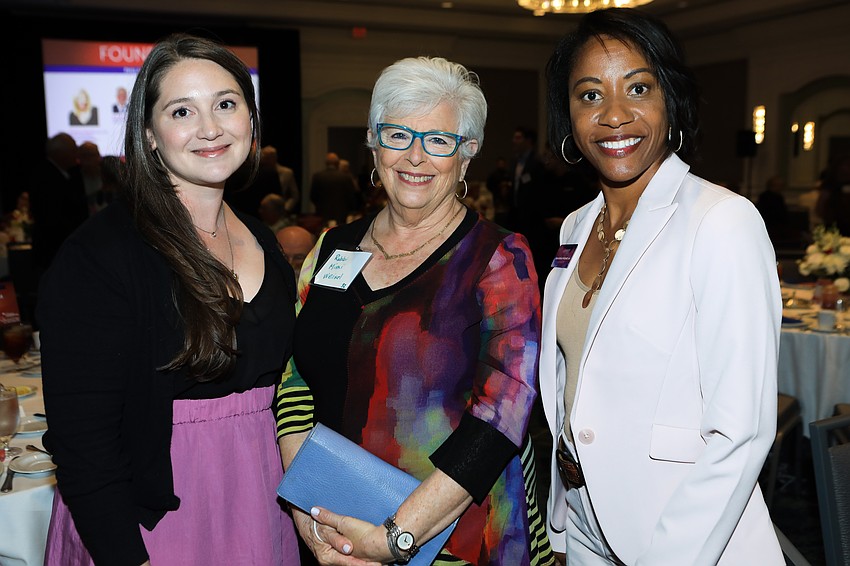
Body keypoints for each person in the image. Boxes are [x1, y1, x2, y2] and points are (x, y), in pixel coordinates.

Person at [276, 56, 554, 565]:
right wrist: (308, 510)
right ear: (373, 142)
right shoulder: (330, 248)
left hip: (456, 541)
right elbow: (294, 380)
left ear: (467, 155)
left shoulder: (498, 258)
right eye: (398, 135)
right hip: (338, 528)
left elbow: (503, 416)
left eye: (439, 141)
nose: (416, 157)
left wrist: (396, 537)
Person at [38, 33, 300, 566]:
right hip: (155, 512)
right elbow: (84, 446)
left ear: (250, 119)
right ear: (150, 134)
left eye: (226, 104)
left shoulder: (263, 239)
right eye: (182, 110)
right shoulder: (102, 254)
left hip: (262, 495)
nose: (210, 128)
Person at [541, 8, 783, 565]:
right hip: (579, 519)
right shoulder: (576, 227)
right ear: (569, 118)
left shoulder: (722, 220)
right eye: (590, 95)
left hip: (679, 534)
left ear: (669, 99)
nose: (615, 116)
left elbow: (741, 431)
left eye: (638, 87)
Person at [309, 152, 357, 227]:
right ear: (337, 163)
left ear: (326, 163)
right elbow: (351, 196)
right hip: (341, 215)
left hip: (323, 214)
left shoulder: (317, 176)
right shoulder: (345, 177)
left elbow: (313, 196)